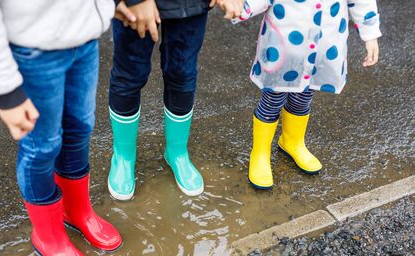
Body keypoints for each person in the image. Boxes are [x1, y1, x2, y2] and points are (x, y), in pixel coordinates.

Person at [0, 0, 136, 256]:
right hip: (32, 50)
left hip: (84, 40)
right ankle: (49, 237)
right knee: (41, 146)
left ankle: (77, 211)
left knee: (80, 129)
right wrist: (5, 88)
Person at [233, 0, 381, 189]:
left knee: (304, 94)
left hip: (324, 40)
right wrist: (238, 7)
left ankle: (292, 141)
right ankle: (260, 152)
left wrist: (370, 34)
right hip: (285, 43)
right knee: (273, 98)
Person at [108, 0, 245, 200]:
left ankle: (177, 153)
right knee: (129, 73)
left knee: (182, 73)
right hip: (137, 6)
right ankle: (123, 157)